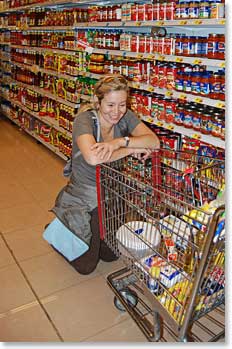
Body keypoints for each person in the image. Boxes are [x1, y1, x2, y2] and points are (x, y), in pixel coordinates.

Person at [49, 74, 160, 275]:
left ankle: (84, 233)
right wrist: (130, 149)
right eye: (110, 105)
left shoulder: (125, 117)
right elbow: (93, 157)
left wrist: (118, 142)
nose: (116, 112)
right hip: (85, 198)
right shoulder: (85, 120)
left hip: (112, 194)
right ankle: (60, 228)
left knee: (111, 254)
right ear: (98, 102)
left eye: (122, 104)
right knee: (86, 267)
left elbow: (154, 142)